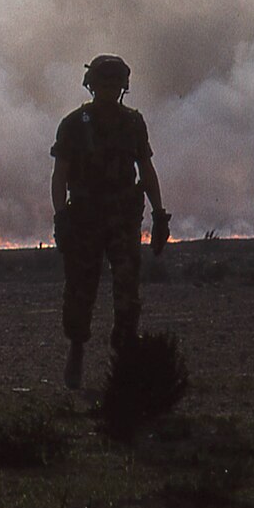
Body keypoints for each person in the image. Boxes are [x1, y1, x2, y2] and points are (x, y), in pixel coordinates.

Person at [50, 54, 169, 389]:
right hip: (85, 218)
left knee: (128, 289)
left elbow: (145, 169)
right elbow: (60, 175)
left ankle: (126, 356)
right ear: (91, 86)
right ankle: (76, 349)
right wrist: (60, 217)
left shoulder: (133, 123)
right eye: (103, 84)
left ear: (123, 87)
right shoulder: (74, 124)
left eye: (114, 84)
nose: (108, 90)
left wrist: (159, 213)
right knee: (79, 289)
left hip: (122, 219)